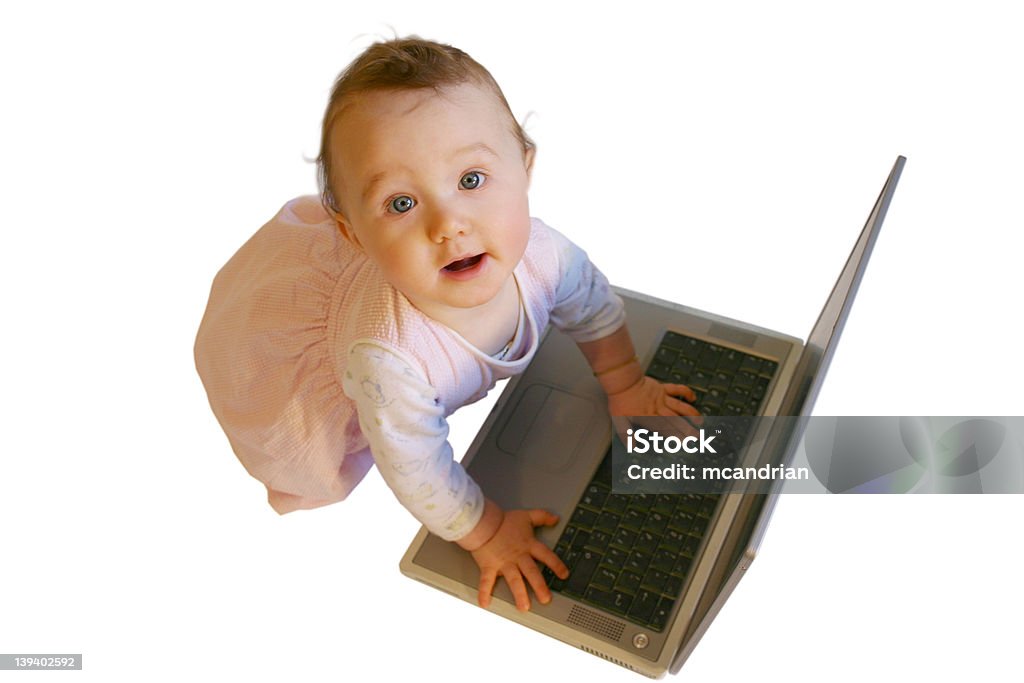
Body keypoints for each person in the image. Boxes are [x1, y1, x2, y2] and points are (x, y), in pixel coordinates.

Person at [194, 36, 698, 613]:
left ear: (525, 166)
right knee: (341, 458)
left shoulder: (546, 256)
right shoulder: (388, 359)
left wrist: (627, 385)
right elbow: (417, 470)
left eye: (472, 180)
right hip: (319, 378)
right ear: (354, 234)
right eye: (401, 204)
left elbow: (593, 308)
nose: (449, 225)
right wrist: (484, 532)